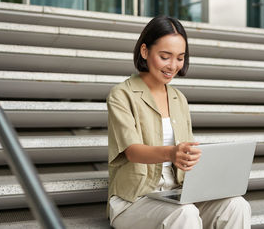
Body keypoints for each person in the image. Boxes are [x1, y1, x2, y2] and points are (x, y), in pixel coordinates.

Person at [106, 16, 251, 229]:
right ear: (145, 52)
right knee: (185, 214)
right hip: (134, 201)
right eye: (165, 56)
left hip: (175, 194)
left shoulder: (178, 98)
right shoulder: (121, 94)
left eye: (180, 58)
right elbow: (131, 151)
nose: (173, 66)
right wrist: (172, 153)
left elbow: (187, 150)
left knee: (236, 205)